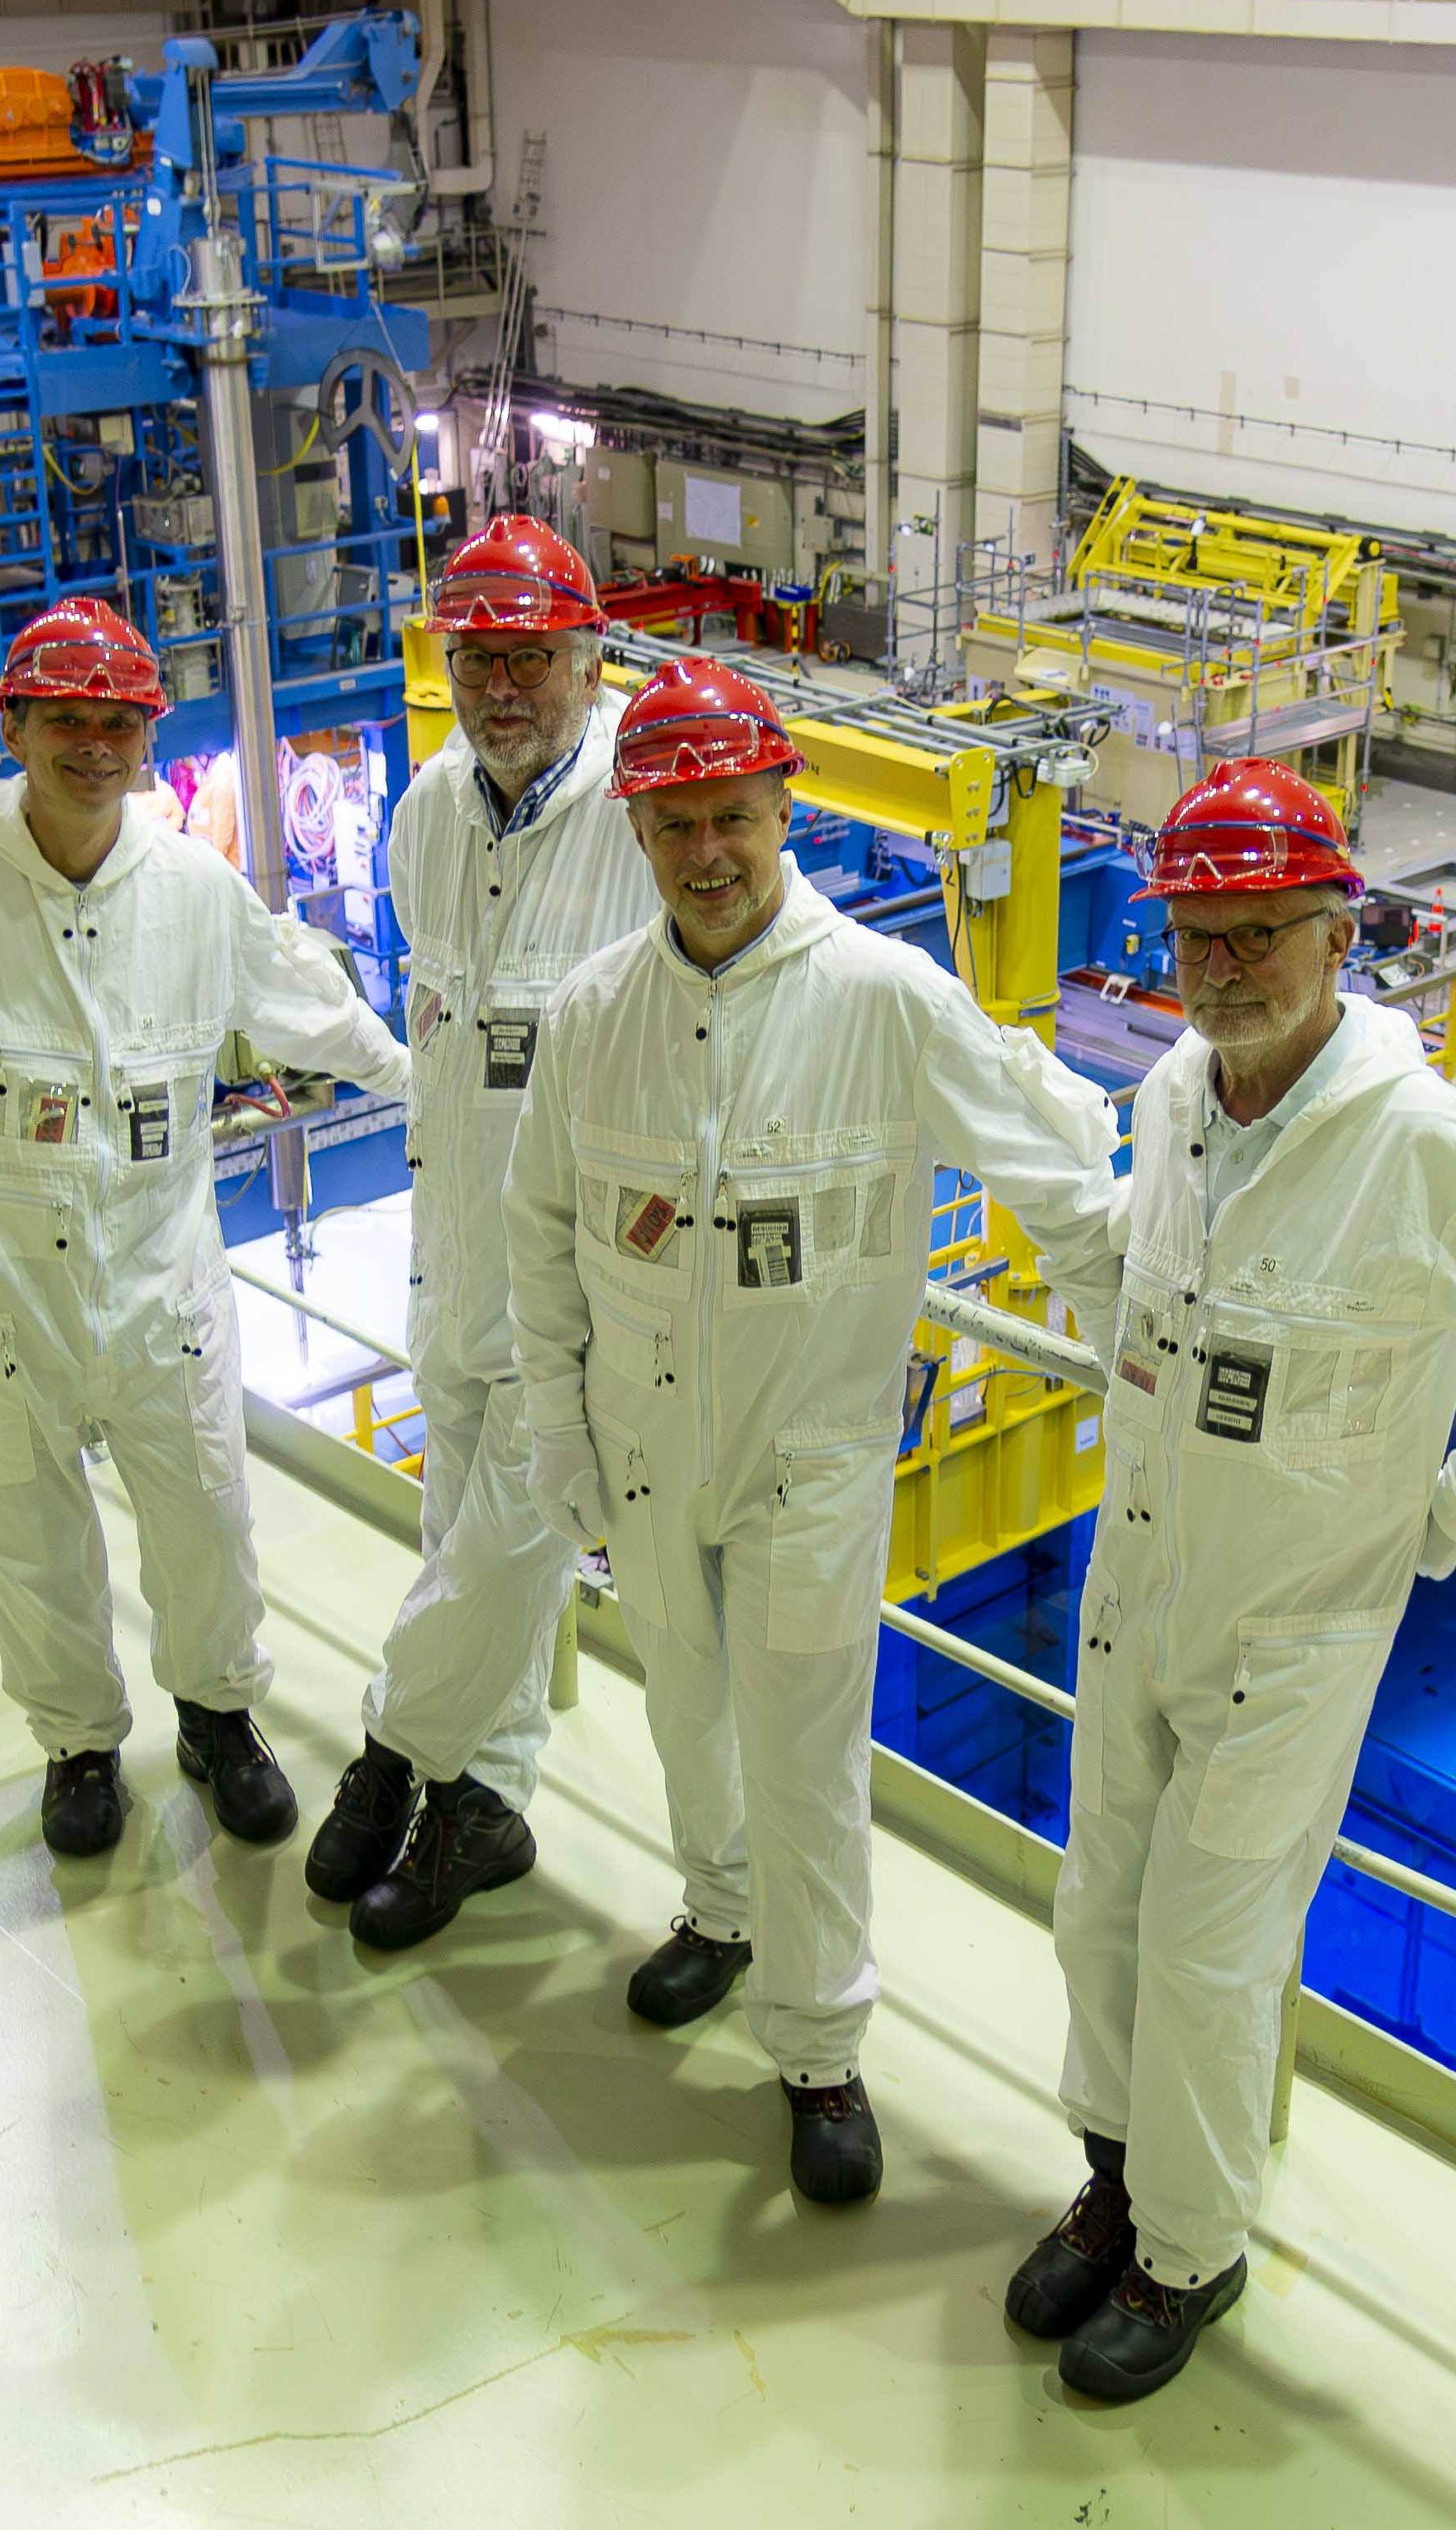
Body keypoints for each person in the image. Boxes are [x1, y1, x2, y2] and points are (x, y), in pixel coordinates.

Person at [1008, 758, 1456, 2401]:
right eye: (1194, 934)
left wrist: (1439, 1522)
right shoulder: (1171, 1094)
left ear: (1336, 933)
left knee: (1215, 1950)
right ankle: (1113, 2180)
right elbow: (1155, 1321)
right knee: (1102, 1913)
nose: (1219, 967)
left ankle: (1186, 2253)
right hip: (1138, 1586)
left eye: (1257, 936)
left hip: (1294, 1630)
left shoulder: (1418, 1145)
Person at [503, 657, 1126, 2207]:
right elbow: (534, 1242)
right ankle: (718, 1918)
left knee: (805, 1764)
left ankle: (819, 2048)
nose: (706, 854)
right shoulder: (595, 1018)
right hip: (643, 1458)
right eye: (673, 826)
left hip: (810, 1471)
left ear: (785, 808)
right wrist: (562, 1449)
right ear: (635, 832)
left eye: (733, 817)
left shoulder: (884, 1002)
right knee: (683, 1718)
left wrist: (1142, 1347)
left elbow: (1063, 1161)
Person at [0, 597, 412, 1861]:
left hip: (161, 1296)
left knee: (208, 1525)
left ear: (148, 738)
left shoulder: (193, 893)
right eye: (67, 721)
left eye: (118, 723)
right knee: (29, 1540)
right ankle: (78, 1746)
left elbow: (312, 1015)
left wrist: (433, 1095)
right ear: (12, 724)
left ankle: (219, 1722)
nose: (93, 747)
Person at [303, 518, 653, 1949]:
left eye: (529, 659)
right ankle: (483, 1805)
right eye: (476, 658)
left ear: (587, 659)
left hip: (583, 1286)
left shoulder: (648, 808)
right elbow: (439, 1031)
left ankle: (394, 1754)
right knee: (462, 1540)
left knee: (505, 1547)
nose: (500, 685)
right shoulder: (427, 810)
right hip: (449, 1248)